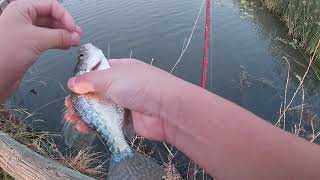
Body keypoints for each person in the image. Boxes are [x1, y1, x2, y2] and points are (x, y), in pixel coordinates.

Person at [0, 0, 319, 180]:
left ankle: (122, 157)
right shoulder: (93, 75)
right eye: (84, 57)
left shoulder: (96, 78)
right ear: (89, 69)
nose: (86, 52)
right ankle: (123, 156)